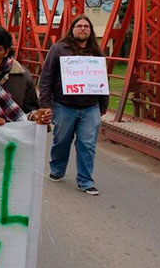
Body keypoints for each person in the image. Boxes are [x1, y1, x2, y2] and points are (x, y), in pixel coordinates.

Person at [39, 15, 108, 196]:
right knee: (61, 141)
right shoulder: (58, 49)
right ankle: (57, 169)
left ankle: (85, 181)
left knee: (87, 144)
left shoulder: (96, 53)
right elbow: (46, 76)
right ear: (72, 29)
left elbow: (102, 81)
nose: (83, 28)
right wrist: (45, 104)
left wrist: (103, 106)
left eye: (86, 26)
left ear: (90, 31)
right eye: (79, 26)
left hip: (90, 107)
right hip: (64, 105)